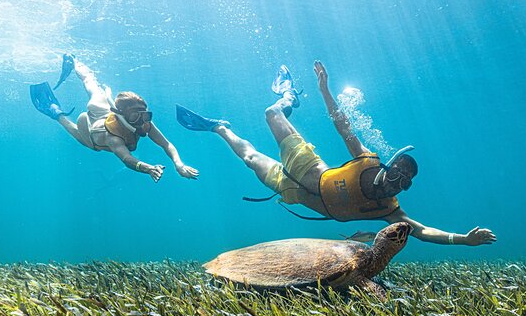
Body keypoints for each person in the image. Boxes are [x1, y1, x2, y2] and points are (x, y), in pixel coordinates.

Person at [176, 61, 496, 246]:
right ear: (387, 164)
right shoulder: (367, 160)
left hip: (293, 192)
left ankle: (219, 128)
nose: (396, 181)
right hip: (306, 164)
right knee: (272, 113)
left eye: (405, 182)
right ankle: (290, 95)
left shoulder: (387, 209)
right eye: (397, 171)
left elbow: (422, 231)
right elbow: (344, 127)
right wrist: (324, 91)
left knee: (249, 160)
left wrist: (462, 239)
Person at [30, 54, 198, 183]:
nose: (141, 120)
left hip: (102, 110)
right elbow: (127, 159)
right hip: (92, 134)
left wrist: (179, 164)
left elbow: (166, 144)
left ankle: (74, 61)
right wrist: (148, 169)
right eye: (135, 115)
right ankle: (56, 113)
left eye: (144, 114)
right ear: (121, 114)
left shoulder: (143, 122)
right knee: (75, 128)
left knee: (91, 83)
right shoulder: (113, 138)